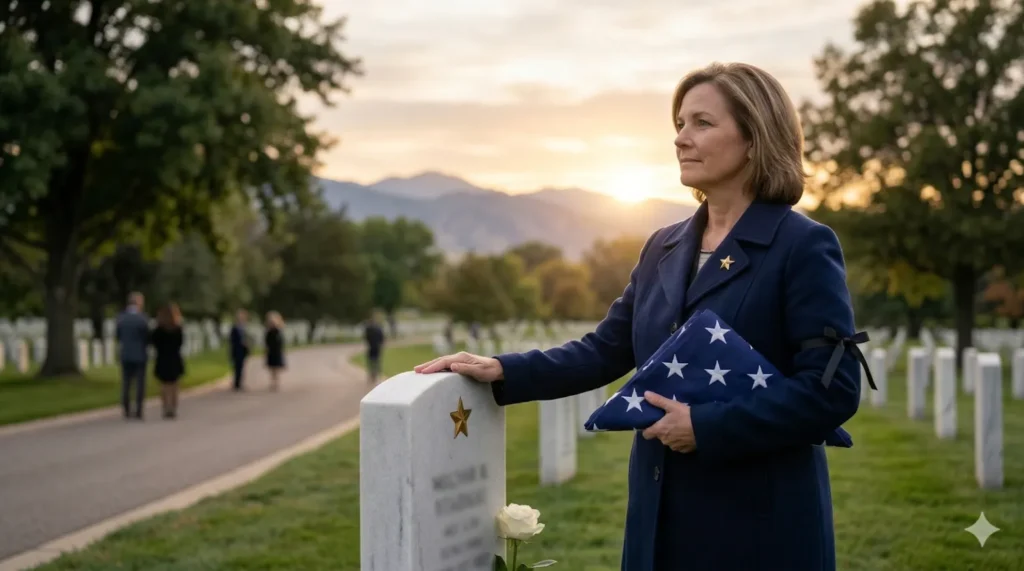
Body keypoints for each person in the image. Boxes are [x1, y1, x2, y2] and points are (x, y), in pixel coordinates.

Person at [415, 62, 865, 571]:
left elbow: (832, 389)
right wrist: (504, 370)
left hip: (758, 526)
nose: (680, 138)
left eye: (701, 123)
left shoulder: (802, 245)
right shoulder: (663, 246)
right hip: (658, 522)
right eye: (678, 123)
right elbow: (608, 348)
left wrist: (706, 426)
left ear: (755, 138)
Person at [115, 292, 150, 420]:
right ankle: (139, 410)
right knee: (140, 383)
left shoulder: (121, 318)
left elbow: (118, 336)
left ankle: (126, 408)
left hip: (126, 354)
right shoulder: (142, 319)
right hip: (140, 354)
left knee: (126, 383)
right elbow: (146, 337)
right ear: (139, 302)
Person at [151, 303, 185, 418]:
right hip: (174, 358)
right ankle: (173, 408)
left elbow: (154, 343)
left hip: (162, 358)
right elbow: (181, 343)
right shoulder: (178, 329)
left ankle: (165, 407)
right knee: (174, 385)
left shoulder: (158, 330)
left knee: (164, 385)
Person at [264, 311, 286, 391]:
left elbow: (281, 342)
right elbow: (266, 343)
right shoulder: (269, 332)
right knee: (272, 368)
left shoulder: (278, 331)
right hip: (271, 351)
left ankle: (276, 382)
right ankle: (273, 382)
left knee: (276, 368)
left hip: (277, 351)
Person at [228, 309, 250, 391]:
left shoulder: (243, 328)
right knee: (237, 367)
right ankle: (236, 383)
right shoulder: (235, 328)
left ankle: (239, 383)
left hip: (242, 351)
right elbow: (232, 340)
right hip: (237, 351)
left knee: (241, 367)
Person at [363, 312, 385, 383]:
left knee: (371, 361)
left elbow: (366, 338)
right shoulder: (379, 328)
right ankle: (377, 374)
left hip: (371, 347)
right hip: (377, 347)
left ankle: (372, 374)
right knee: (377, 361)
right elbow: (382, 338)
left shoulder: (368, 328)